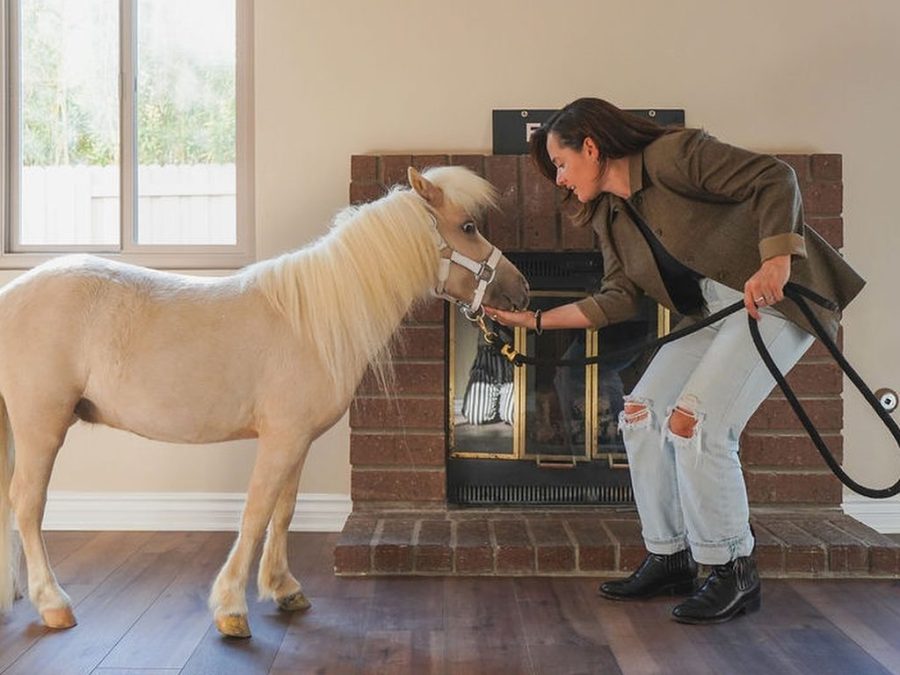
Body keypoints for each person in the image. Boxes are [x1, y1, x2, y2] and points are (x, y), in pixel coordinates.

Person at [484, 97, 865, 624]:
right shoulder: (610, 215)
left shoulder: (673, 155)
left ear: (591, 148)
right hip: (712, 311)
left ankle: (732, 567)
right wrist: (536, 323)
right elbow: (619, 297)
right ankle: (672, 554)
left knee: (697, 422)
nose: (560, 179)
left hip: (776, 299)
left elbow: (775, 178)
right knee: (641, 413)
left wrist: (777, 261)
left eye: (562, 164)